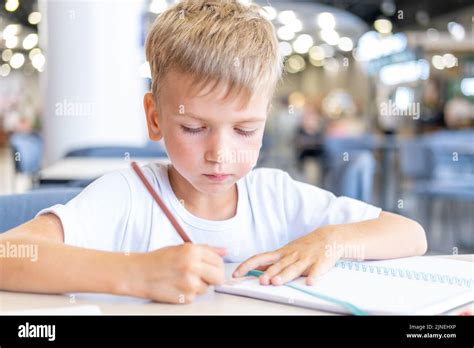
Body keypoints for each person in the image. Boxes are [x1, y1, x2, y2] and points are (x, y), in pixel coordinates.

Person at [0, 0, 427, 304]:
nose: (220, 154)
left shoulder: (276, 196)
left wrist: (332, 241)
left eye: (245, 129)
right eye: (193, 127)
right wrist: (134, 273)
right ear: (154, 118)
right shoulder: (128, 196)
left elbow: (413, 236)